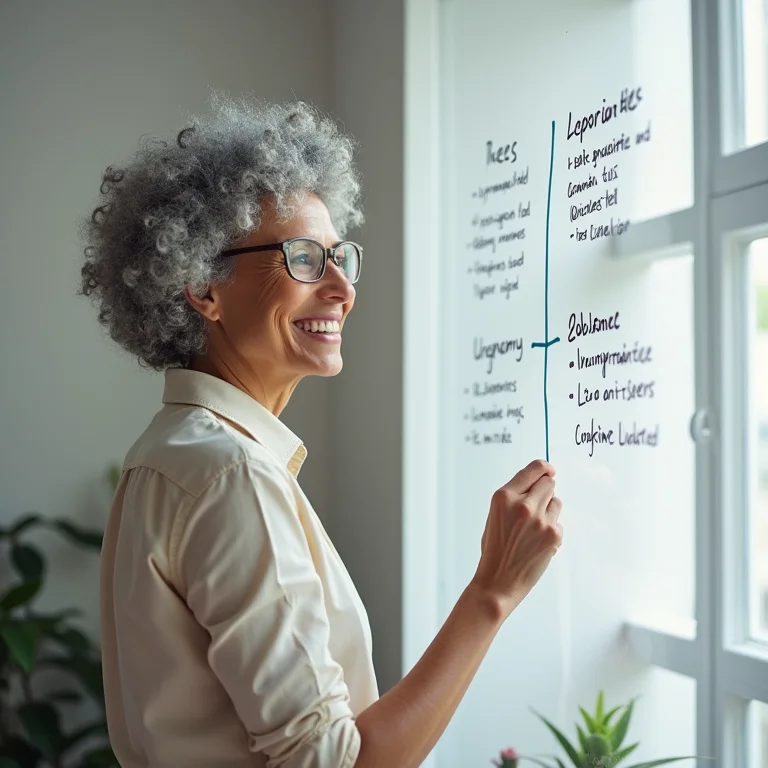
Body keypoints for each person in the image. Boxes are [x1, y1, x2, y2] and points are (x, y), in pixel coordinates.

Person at [79, 91, 563, 768]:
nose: (342, 288)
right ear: (203, 286)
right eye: (304, 258)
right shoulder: (229, 474)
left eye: (341, 257)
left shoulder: (171, 454)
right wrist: (492, 593)